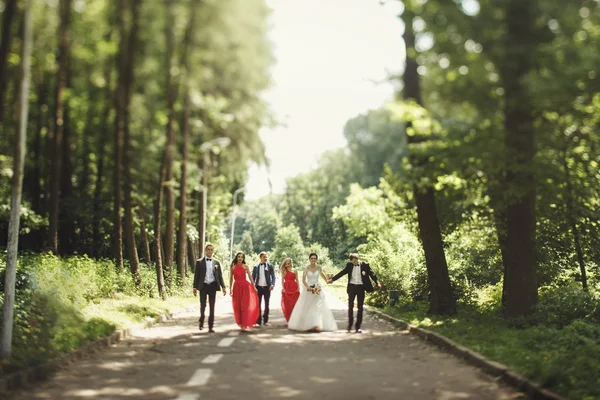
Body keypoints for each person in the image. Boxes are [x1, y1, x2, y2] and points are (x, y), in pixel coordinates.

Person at [328, 253, 382, 333]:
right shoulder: (349, 265)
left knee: (360, 307)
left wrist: (377, 282)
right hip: (352, 287)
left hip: (361, 288)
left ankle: (358, 327)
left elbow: (372, 274)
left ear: (357, 259)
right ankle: (350, 326)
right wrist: (332, 280)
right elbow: (342, 273)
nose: (354, 263)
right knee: (350, 306)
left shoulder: (365, 265)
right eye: (353, 262)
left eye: (355, 261)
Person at [288, 253, 338, 332]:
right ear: (309, 259)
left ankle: (316, 324)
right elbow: (303, 280)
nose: (313, 260)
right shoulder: (306, 268)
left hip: (317, 287)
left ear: (316, 259)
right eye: (312, 258)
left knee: (317, 305)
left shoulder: (319, 268)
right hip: (308, 288)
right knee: (308, 306)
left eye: (315, 258)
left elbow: (322, 275)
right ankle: (307, 325)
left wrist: (327, 281)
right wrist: (308, 287)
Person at [192, 243, 226, 333]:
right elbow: (196, 276)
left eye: (211, 250)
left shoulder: (216, 263)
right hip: (203, 286)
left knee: (212, 306)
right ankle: (201, 321)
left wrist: (223, 287)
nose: (210, 251)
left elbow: (220, 276)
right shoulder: (199, 262)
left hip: (212, 286)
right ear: (205, 250)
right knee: (203, 305)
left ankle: (211, 326)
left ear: (213, 251)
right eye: (208, 249)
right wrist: (194, 287)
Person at [229, 251, 259, 331]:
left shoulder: (245, 266)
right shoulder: (232, 266)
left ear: (243, 258)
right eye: (239, 257)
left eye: (242, 257)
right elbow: (231, 279)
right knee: (238, 306)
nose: (240, 258)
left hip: (245, 286)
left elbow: (250, 277)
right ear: (236, 257)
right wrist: (230, 289)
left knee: (245, 306)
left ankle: (245, 324)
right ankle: (241, 323)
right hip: (236, 287)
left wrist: (254, 286)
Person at [252, 252, 276, 326]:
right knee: (258, 304)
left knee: (266, 304)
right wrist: (253, 287)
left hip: (267, 288)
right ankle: (258, 321)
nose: (265, 258)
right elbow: (253, 277)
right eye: (263, 257)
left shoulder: (270, 266)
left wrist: (272, 284)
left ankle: (265, 321)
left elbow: (273, 276)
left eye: (266, 257)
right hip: (258, 288)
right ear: (260, 258)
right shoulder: (256, 266)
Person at [280, 257, 300, 323]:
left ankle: (294, 318)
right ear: (285, 264)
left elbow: (297, 279)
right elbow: (282, 280)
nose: (288, 264)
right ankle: (289, 318)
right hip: (287, 288)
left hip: (294, 287)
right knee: (287, 304)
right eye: (286, 263)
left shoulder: (295, 270)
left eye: (289, 263)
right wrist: (283, 288)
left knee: (294, 303)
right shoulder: (284, 271)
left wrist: (298, 287)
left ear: (291, 263)